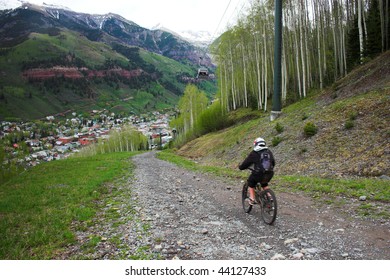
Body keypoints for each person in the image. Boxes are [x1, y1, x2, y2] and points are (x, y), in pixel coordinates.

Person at [238, 137, 275, 205]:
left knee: (250, 182)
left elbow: (246, 163)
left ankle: (252, 199)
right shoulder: (269, 151)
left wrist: (241, 167)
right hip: (269, 173)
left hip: (258, 174)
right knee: (264, 184)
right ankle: (270, 197)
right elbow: (273, 163)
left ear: (255, 144)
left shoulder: (254, 152)